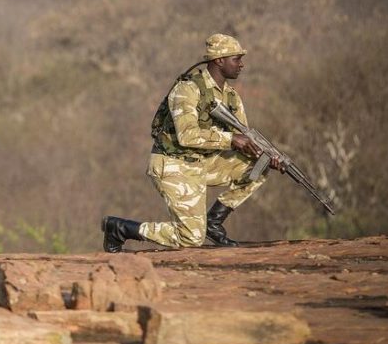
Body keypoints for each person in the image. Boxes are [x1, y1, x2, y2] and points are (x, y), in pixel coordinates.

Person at [101, 34, 284, 252]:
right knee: (191, 239)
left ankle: (214, 223)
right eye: (236, 59)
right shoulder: (187, 89)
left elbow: (243, 138)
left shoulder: (232, 97)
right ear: (219, 60)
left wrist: (266, 156)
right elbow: (187, 135)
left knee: (258, 167)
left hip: (202, 164)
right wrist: (231, 139)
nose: (241, 64)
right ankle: (120, 228)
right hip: (173, 165)